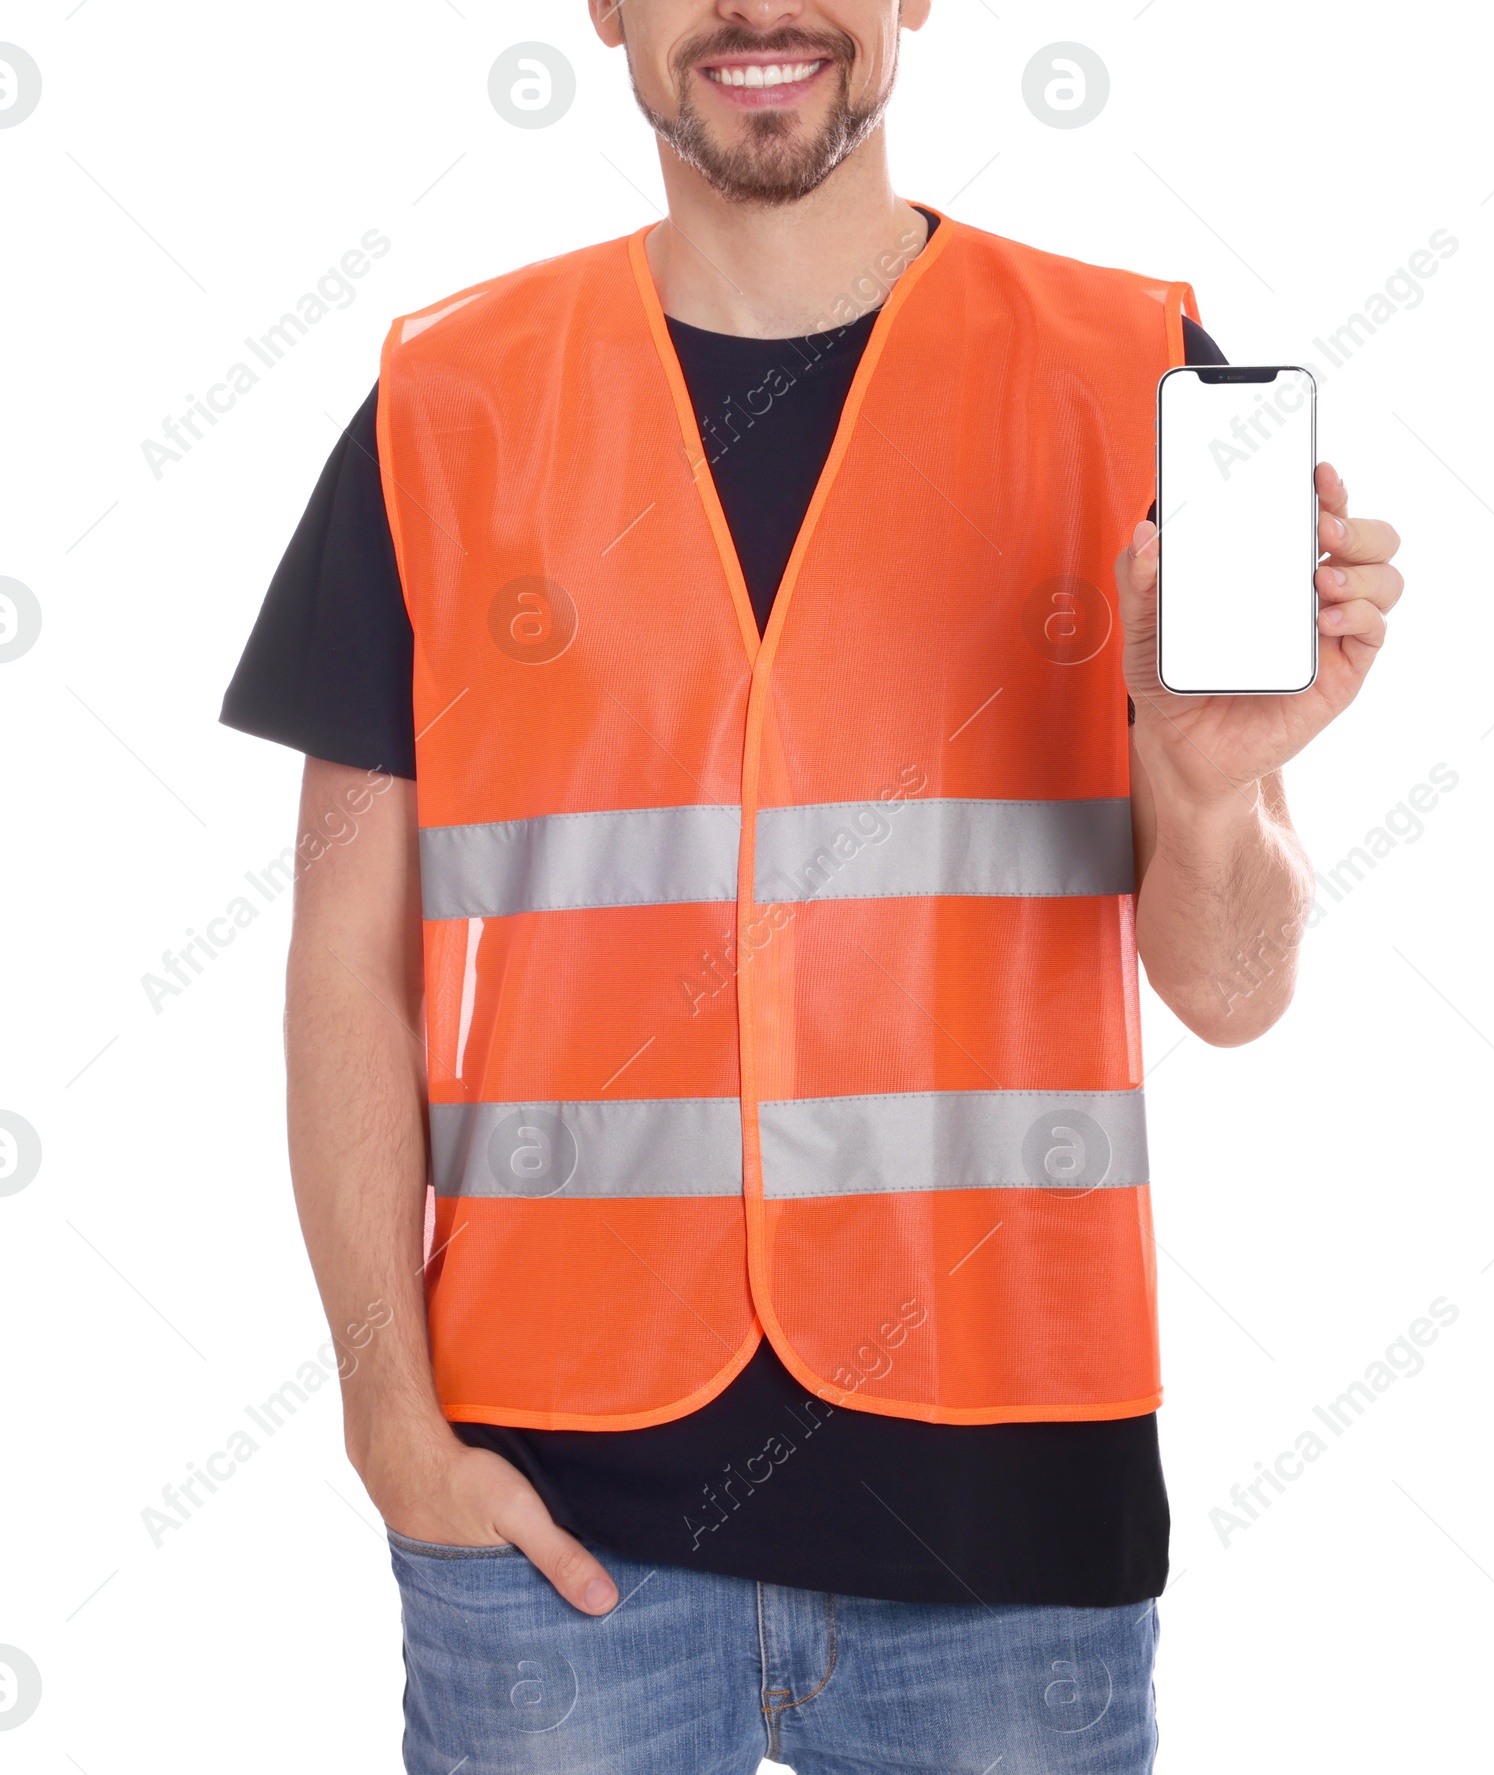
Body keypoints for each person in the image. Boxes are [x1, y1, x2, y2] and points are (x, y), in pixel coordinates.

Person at [221, 1, 1402, 1768]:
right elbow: (344, 962)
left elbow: (1233, 990)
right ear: (606, 8)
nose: (757, 10)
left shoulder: (1126, 365)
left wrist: (1205, 788)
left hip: (1011, 1521)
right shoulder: (443, 403)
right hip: (551, 1518)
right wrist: (388, 1420)